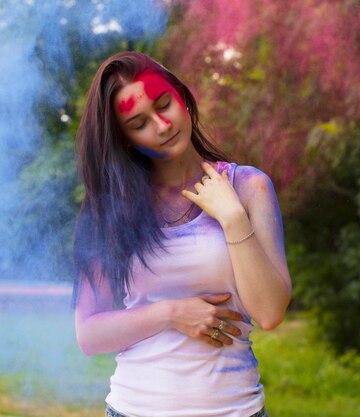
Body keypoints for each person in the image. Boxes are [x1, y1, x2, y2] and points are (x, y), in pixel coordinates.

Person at [71, 51, 292, 417]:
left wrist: (233, 218)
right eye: (139, 123)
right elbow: (89, 335)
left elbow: (270, 313)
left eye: (163, 105)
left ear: (182, 97)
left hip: (235, 409)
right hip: (134, 409)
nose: (160, 125)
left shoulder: (249, 187)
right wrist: (172, 313)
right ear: (124, 138)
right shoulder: (110, 210)